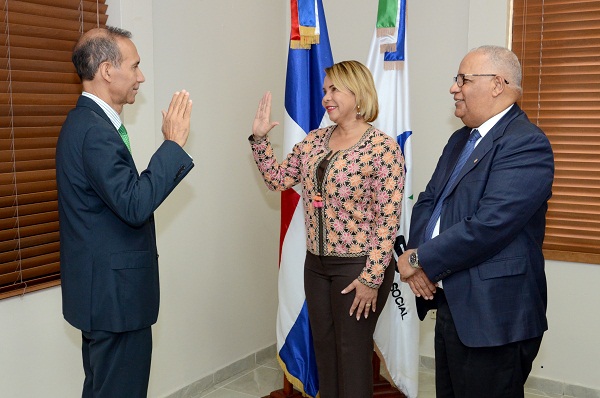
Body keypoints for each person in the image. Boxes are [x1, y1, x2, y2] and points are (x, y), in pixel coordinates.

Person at [397, 45, 554, 398]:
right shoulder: (460, 139)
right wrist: (417, 255)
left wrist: (420, 260)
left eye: (463, 79)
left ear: (497, 84)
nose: (454, 88)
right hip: (451, 299)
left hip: (495, 314)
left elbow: (489, 225)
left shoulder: (526, 143)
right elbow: (428, 201)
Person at [250, 60, 404, 397]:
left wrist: (371, 278)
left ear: (358, 92)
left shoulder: (383, 148)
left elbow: (388, 219)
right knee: (326, 351)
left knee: (352, 354)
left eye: (334, 89)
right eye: (324, 91)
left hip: (358, 267)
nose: (325, 97)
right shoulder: (314, 140)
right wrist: (260, 141)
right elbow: (278, 179)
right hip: (317, 266)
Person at [56, 26, 193, 397]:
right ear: (106, 70)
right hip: (115, 300)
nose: (141, 77)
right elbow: (133, 204)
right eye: (134, 67)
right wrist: (172, 146)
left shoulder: (83, 123)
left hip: (101, 295)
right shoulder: (95, 131)